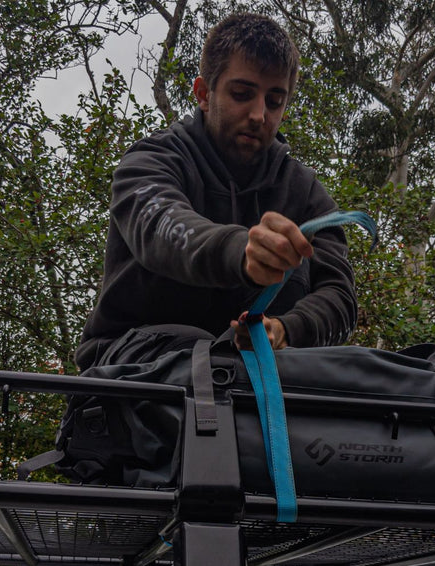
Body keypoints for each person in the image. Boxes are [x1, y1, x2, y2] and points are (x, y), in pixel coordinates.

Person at [74, 13, 357, 371]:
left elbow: (340, 297)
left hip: (257, 386)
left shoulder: (307, 194)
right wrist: (241, 253)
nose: (259, 114)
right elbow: (162, 226)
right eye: (242, 94)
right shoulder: (149, 163)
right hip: (134, 374)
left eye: (274, 101)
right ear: (204, 94)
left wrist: (286, 330)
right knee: (195, 354)